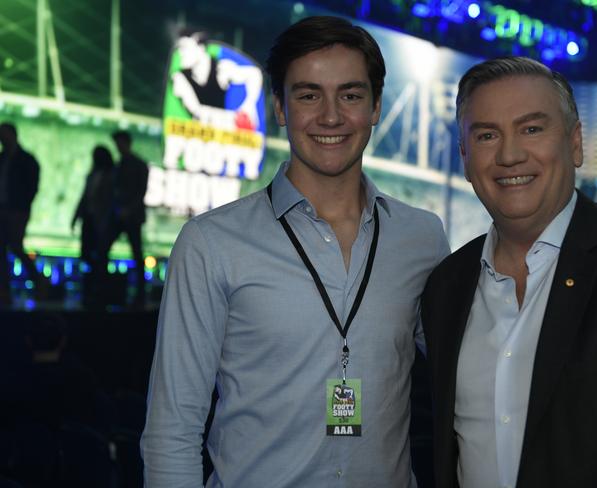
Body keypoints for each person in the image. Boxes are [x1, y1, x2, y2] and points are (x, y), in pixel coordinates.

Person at [141, 16, 449, 487]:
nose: (331, 116)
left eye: (350, 95)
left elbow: (469, 384)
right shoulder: (211, 242)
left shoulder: (422, 238)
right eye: (308, 95)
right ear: (280, 108)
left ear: (375, 107)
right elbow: (172, 430)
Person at [421, 56, 597, 488]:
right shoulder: (445, 288)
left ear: (575, 143)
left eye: (531, 129)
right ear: (465, 158)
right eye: (487, 135)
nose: (509, 154)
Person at [0, 122, 42, 304]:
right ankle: (5, 291)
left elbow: (31, 187)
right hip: (5, 209)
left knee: (15, 247)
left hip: (16, 210)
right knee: (5, 249)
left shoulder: (26, 160)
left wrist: (22, 206)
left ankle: (39, 282)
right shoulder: (4, 159)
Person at [106, 131, 149, 304]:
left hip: (131, 216)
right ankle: (135, 293)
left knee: (137, 254)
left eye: (119, 143)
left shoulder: (137, 165)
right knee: (133, 254)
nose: (118, 147)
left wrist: (128, 210)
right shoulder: (120, 165)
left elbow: (141, 192)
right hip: (121, 216)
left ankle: (140, 294)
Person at [71, 145, 115, 305]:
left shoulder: (111, 176)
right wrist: (75, 217)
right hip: (89, 219)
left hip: (101, 220)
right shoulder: (92, 175)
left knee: (100, 255)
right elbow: (84, 198)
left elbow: (109, 201)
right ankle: (89, 289)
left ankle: (98, 291)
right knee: (87, 254)